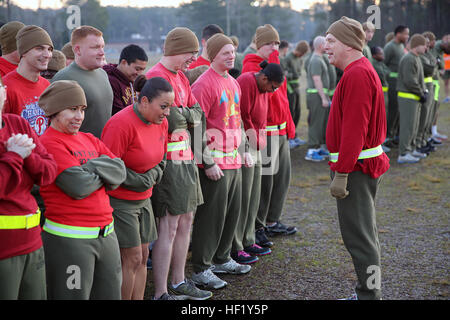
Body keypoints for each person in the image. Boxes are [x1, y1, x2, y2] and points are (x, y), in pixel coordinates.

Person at [38, 80, 126, 299]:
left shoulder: (89, 139)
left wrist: (88, 168)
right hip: (70, 243)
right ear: (54, 111)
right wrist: (100, 171)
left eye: (82, 110)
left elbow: (120, 172)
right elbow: (78, 186)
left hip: (107, 236)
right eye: (72, 109)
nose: (79, 116)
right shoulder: (48, 143)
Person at [325, 16, 389, 300]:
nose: (326, 47)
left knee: (360, 238)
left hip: (356, 170)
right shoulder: (358, 70)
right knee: (365, 233)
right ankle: (367, 291)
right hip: (358, 167)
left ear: (348, 44)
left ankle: (369, 295)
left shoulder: (357, 73)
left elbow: (354, 129)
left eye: (331, 41)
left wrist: (342, 172)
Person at [145, 27, 212, 300]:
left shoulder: (181, 77)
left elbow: (198, 114)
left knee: (186, 222)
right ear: (175, 49)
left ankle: (178, 281)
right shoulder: (155, 76)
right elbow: (170, 120)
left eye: (196, 53)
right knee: (168, 226)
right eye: (190, 53)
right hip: (168, 162)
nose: (193, 59)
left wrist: (182, 114)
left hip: (185, 158)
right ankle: (161, 291)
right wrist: (185, 115)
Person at [101, 76, 171, 300]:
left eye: (170, 107)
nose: (167, 112)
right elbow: (109, 168)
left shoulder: (162, 122)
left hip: (144, 199)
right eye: (163, 106)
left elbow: (163, 158)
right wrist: (140, 180)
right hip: (120, 202)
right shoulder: (120, 124)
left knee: (142, 256)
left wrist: (153, 175)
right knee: (130, 258)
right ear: (144, 102)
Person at [191, 33, 251, 290]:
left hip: (234, 159)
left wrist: (245, 148)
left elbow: (237, 119)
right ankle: (202, 268)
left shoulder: (233, 82)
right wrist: (207, 162)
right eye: (226, 52)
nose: (231, 56)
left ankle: (223, 258)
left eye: (233, 51)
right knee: (211, 217)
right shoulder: (204, 84)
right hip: (215, 163)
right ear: (213, 54)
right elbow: (195, 126)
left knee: (232, 213)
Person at [0, 73, 57, 300]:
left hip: (33, 241)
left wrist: (28, 155)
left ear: (5, 93)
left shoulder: (18, 123)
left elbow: (49, 172)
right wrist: (14, 156)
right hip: (4, 249)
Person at [242, 24, 297, 246]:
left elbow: (282, 99)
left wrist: (290, 125)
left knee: (282, 179)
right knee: (265, 183)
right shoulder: (251, 68)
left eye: (276, 43)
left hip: (280, 130)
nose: (273, 47)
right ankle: (258, 225)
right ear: (258, 44)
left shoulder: (275, 65)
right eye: (268, 43)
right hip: (266, 133)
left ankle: (272, 221)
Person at [232, 61, 284, 264]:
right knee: (244, 198)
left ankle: (249, 238)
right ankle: (237, 245)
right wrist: (251, 142)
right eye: (273, 87)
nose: (273, 91)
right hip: (246, 144)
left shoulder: (263, 89)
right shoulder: (246, 81)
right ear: (264, 78)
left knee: (254, 196)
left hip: (257, 144)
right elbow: (243, 115)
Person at [52, 25, 113, 139]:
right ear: (77, 50)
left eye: (102, 47)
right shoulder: (64, 78)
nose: (102, 52)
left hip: (102, 149)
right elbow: (57, 124)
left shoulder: (103, 74)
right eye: (95, 47)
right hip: (80, 152)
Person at [3, 25, 53, 136]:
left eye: (49, 49)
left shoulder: (46, 85)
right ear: (24, 52)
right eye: (39, 48)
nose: (47, 55)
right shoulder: (6, 87)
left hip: (42, 151)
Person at [396, 34, 428, 164]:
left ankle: (411, 148)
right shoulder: (409, 59)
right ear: (417, 45)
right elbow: (410, 81)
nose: (426, 48)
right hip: (408, 97)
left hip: (413, 97)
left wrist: (422, 92)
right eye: (424, 45)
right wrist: (421, 93)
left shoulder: (415, 57)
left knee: (413, 126)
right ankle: (403, 153)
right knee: (407, 126)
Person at [305, 36, 331, 162]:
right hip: (316, 96)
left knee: (321, 122)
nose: (328, 46)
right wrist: (323, 98)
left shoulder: (319, 59)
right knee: (316, 123)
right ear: (321, 45)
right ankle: (311, 150)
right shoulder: (315, 60)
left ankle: (318, 148)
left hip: (319, 95)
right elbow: (317, 79)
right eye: (326, 43)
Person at [103, 44, 148, 115]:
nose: (139, 73)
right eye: (137, 69)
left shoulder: (131, 80)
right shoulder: (111, 82)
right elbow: (118, 114)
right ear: (124, 62)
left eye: (142, 70)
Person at [383, 25, 409, 146]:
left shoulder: (401, 46)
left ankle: (393, 136)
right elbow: (383, 64)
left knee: (398, 110)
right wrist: (390, 75)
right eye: (405, 34)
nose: (407, 36)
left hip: (401, 82)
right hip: (392, 83)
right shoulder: (390, 47)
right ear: (398, 34)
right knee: (392, 110)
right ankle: (387, 137)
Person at [281, 40, 309, 149]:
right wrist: (292, 74)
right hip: (289, 89)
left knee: (298, 112)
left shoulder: (300, 59)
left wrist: (293, 74)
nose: (300, 55)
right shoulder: (287, 58)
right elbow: (285, 73)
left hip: (296, 88)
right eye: (300, 52)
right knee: (291, 113)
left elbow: (299, 73)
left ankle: (294, 135)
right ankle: (288, 138)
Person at [371, 46, 390, 142]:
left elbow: (388, 72)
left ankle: (381, 141)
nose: (383, 56)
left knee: (384, 117)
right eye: (380, 54)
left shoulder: (380, 63)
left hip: (384, 92)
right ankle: (378, 141)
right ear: (374, 55)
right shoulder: (374, 65)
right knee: (379, 118)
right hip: (379, 93)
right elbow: (383, 74)